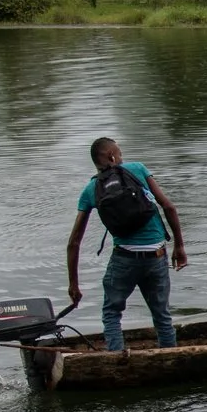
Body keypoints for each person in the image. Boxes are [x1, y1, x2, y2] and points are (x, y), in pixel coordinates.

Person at [66, 136, 188, 352]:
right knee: (162, 315)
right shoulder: (137, 169)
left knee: (112, 313)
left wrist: (74, 284)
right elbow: (169, 207)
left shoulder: (90, 190)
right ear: (111, 156)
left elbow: (74, 242)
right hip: (156, 256)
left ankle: (116, 359)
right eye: (119, 153)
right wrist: (179, 246)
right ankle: (169, 357)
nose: (122, 157)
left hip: (124, 259)